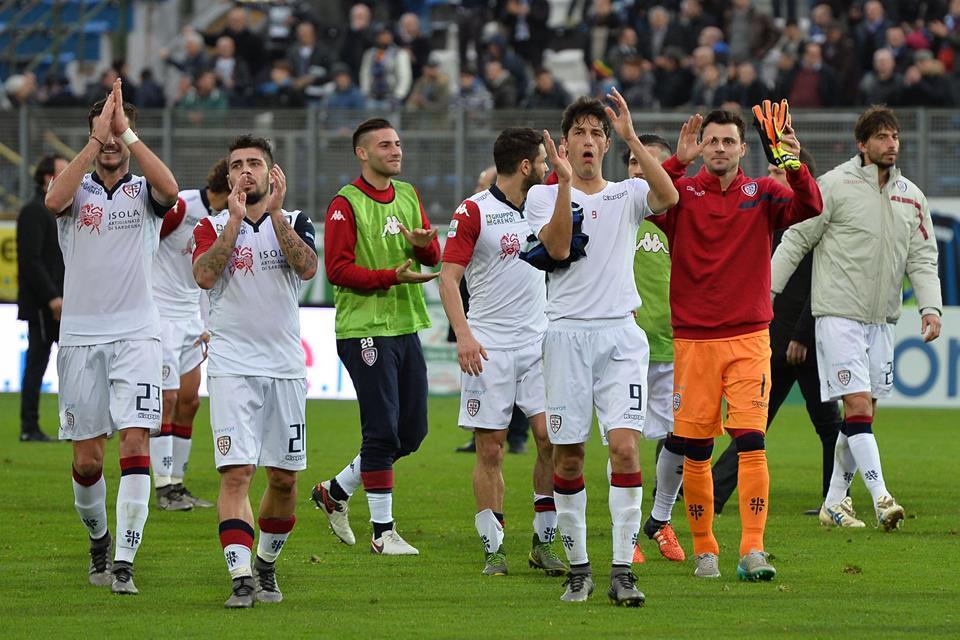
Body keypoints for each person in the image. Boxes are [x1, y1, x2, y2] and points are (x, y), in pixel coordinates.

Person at [650, 106, 822, 581]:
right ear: (701, 146)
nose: (721, 149)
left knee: (751, 440)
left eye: (729, 142)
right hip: (694, 343)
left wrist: (792, 163)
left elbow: (810, 207)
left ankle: (752, 548)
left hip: (748, 339)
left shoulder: (764, 192)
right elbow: (646, 204)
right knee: (697, 449)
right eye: (713, 141)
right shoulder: (680, 194)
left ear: (743, 149)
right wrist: (675, 163)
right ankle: (706, 550)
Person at [524, 91, 679, 604]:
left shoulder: (628, 193)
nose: (588, 141)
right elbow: (560, 248)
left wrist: (636, 137)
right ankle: (579, 568)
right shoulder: (543, 197)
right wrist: (566, 185)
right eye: (579, 134)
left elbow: (670, 198)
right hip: (566, 333)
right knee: (568, 458)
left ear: (607, 144)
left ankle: (621, 572)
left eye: (597, 134)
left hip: (620, 336)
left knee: (625, 447)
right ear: (564, 144)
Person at [771, 106, 942, 532]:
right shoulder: (833, 186)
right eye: (882, 137)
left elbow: (922, 259)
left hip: (882, 319)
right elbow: (796, 239)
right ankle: (882, 498)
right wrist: (766, 293)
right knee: (859, 406)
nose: (892, 144)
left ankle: (833, 503)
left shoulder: (911, 197)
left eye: (896, 136)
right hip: (837, 315)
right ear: (862, 145)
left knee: (860, 417)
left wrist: (931, 308)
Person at [44, 79, 180, 595]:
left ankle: (124, 557)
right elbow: (51, 200)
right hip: (80, 337)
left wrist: (129, 133)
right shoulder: (73, 188)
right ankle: (99, 540)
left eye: (119, 128)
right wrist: (94, 138)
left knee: (136, 439)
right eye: (105, 127)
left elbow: (170, 190)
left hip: (137, 337)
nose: (112, 139)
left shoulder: (144, 191)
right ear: (92, 132)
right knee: (87, 460)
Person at [192, 136, 318, 608]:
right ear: (229, 178)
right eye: (238, 165)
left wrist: (278, 215)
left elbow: (307, 267)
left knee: (284, 480)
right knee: (237, 472)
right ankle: (241, 575)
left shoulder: (297, 222)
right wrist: (235, 222)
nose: (246, 171)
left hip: (285, 367)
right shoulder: (210, 225)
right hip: (232, 366)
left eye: (255, 164)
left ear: (272, 174)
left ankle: (265, 563)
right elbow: (204, 275)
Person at [439, 127, 566, 577]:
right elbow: (448, 278)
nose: (548, 168)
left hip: (538, 343)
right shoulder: (475, 211)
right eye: (543, 161)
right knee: (490, 450)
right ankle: (494, 548)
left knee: (550, 439)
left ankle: (544, 541)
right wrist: (465, 334)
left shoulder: (545, 204)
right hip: (488, 346)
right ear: (525, 166)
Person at [311, 118, 440, 555]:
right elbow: (338, 270)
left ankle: (336, 491)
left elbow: (431, 253)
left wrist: (423, 246)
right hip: (364, 328)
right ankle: (383, 534)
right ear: (362, 153)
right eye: (385, 145)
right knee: (382, 431)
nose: (396, 150)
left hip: (405, 326)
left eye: (398, 143)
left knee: (412, 433)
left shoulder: (407, 194)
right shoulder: (345, 204)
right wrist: (392, 275)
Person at [712, 150, 844, 519]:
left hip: (807, 341)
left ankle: (832, 499)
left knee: (828, 424)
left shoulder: (816, 221)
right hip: (771, 339)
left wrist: (803, 334)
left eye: (779, 171)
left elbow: (821, 284)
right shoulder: (772, 220)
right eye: (769, 170)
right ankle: (717, 494)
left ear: (799, 176)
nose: (772, 176)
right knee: (754, 422)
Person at [149, 159, 230, 511]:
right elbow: (144, 242)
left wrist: (207, 321)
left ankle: (178, 484)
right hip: (161, 314)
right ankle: (162, 486)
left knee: (190, 402)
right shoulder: (182, 206)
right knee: (165, 401)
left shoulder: (226, 221)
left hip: (190, 319)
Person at [620, 135, 685, 565]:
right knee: (623, 441)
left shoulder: (686, 217)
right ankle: (625, 534)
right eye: (632, 161)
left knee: (682, 437)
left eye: (650, 164)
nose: (639, 170)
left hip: (679, 345)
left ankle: (659, 520)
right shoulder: (617, 210)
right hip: (627, 346)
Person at [16, 154, 68, 442]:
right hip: (43, 305)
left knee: (73, 364)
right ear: (48, 177)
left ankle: (75, 423)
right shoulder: (35, 212)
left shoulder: (56, 210)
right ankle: (29, 426)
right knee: (37, 363)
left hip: (61, 301)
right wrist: (52, 297)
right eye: (63, 172)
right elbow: (31, 261)